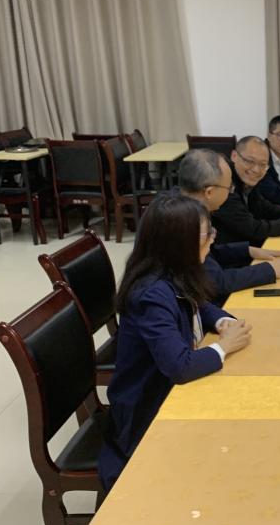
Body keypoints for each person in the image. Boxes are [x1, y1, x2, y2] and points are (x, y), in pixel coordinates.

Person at [100, 194, 251, 488]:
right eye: (207, 235)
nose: (213, 240)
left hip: (168, 389)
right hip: (147, 409)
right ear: (179, 244)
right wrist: (223, 347)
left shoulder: (173, 271)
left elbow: (199, 303)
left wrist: (222, 322)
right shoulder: (151, 294)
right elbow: (179, 367)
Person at [177, 149, 280, 306]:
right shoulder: (183, 221)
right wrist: (269, 270)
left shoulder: (184, 205)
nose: (231, 192)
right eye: (229, 188)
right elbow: (215, 281)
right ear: (209, 192)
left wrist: (247, 250)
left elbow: (210, 254)